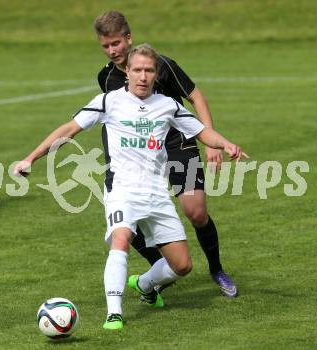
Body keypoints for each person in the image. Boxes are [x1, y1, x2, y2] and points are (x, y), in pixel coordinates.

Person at [14, 44, 246, 330]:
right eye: (137, 70)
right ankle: (114, 313)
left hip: (157, 193)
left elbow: (201, 131)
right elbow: (67, 130)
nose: (143, 76)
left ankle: (145, 284)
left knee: (182, 266)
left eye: (149, 70)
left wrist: (225, 143)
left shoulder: (168, 106)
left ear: (156, 74)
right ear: (127, 72)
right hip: (122, 189)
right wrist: (30, 158)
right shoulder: (108, 101)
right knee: (121, 238)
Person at [94, 11, 238, 296]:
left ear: (128, 38)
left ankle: (217, 269)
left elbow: (196, 97)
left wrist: (210, 142)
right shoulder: (106, 77)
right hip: (139, 156)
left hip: (178, 144)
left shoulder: (160, 65)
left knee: (196, 213)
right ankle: (158, 269)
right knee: (128, 217)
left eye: (116, 43)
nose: (112, 51)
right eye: (106, 46)